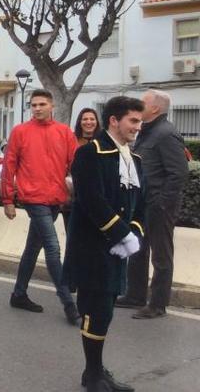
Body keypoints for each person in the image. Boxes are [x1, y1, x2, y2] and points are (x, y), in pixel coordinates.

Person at [62, 96, 146, 392]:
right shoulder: (90, 154)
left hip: (117, 249)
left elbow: (141, 205)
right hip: (93, 247)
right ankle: (93, 374)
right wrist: (122, 234)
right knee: (95, 311)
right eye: (133, 121)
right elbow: (91, 200)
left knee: (106, 310)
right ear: (114, 120)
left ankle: (96, 371)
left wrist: (133, 234)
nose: (138, 126)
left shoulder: (134, 159)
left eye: (140, 121)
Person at [1, 89, 81, 325]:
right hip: (33, 199)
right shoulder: (20, 132)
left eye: (41, 104)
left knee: (32, 248)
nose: (37, 108)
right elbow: (9, 166)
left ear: (51, 105)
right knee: (53, 248)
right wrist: (8, 199)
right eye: (33, 104)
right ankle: (68, 303)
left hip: (57, 199)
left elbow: (76, 165)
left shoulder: (64, 132)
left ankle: (18, 294)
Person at [116, 89, 190, 319]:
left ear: (155, 108)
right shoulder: (147, 132)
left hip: (159, 206)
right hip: (142, 203)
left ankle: (157, 305)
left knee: (161, 255)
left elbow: (178, 174)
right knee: (137, 249)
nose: (138, 105)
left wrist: (162, 203)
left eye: (143, 102)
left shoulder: (165, 134)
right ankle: (135, 295)